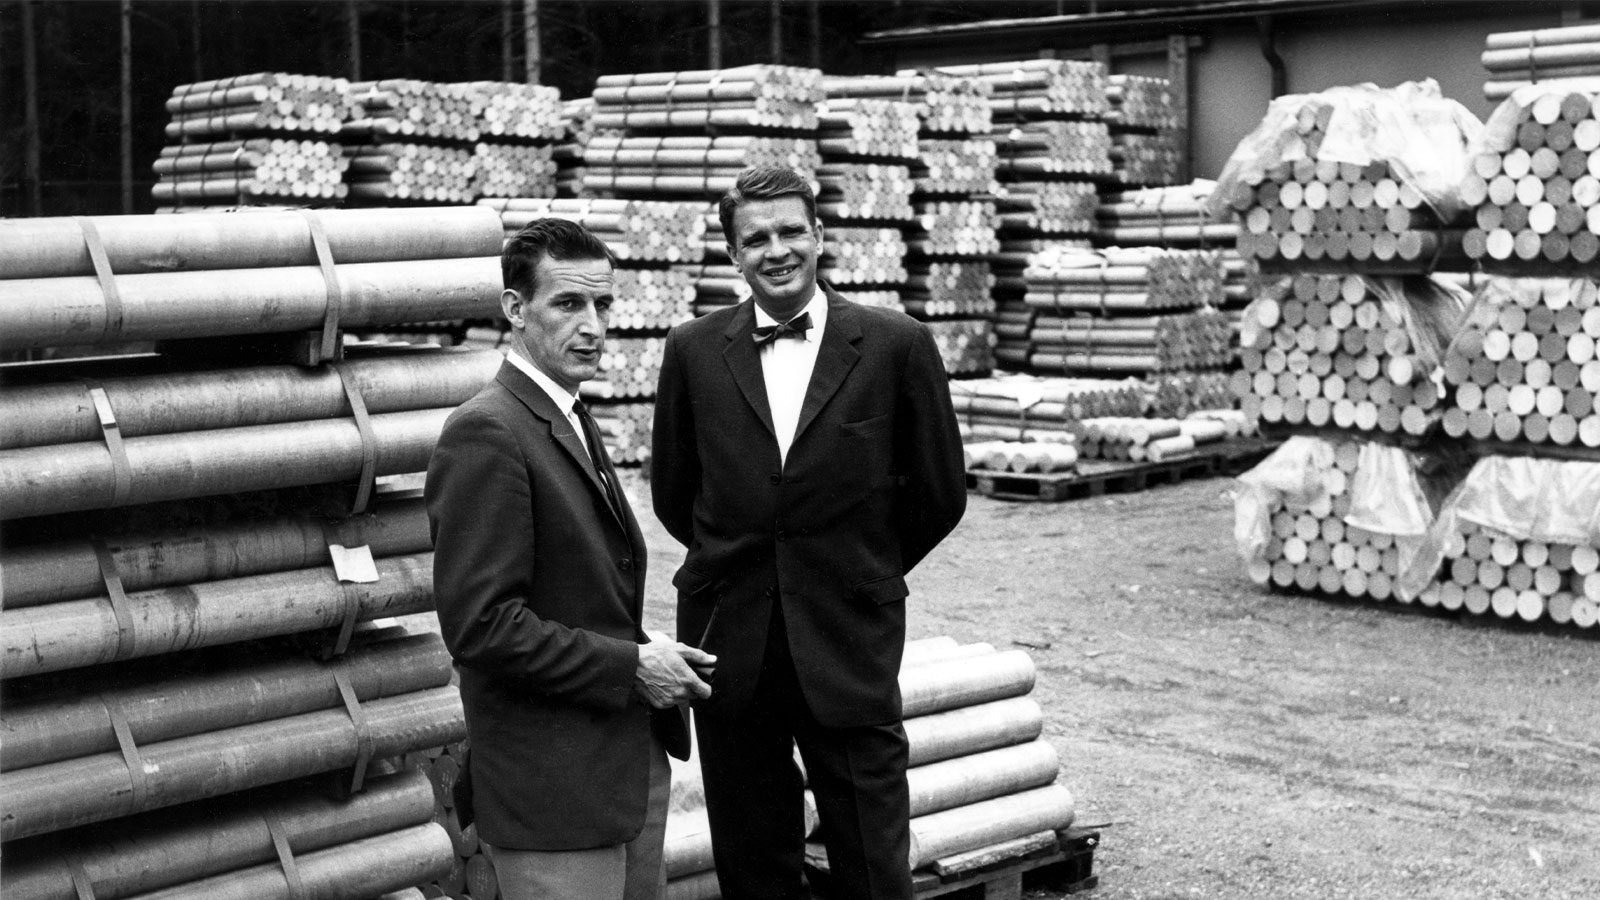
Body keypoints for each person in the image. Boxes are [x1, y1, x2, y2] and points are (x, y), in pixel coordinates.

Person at [650, 166, 968, 900]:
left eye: (792, 231)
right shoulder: (692, 350)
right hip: (731, 643)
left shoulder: (896, 345)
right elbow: (676, 495)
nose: (777, 250)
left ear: (821, 237)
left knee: (872, 866)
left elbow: (940, 493)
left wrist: (858, 567)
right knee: (754, 864)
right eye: (755, 238)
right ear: (733, 255)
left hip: (848, 635)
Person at [427, 218, 715, 900]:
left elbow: (576, 591)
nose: (592, 325)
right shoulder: (487, 432)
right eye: (568, 304)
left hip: (619, 767)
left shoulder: (566, 415)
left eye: (602, 305)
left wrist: (646, 648)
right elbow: (482, 628)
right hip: (552, 792)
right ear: (515, 310)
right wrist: (630, 666)